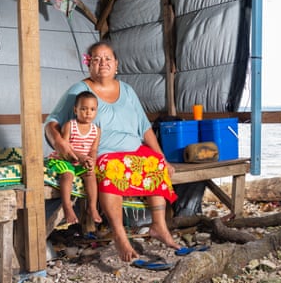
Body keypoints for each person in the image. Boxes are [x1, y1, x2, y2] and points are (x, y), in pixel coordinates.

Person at [44, 40, 181, 262]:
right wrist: (60, 142)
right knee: (112, 169)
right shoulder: (79, 90)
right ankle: (119, 236)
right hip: (102, 152)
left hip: (134, 149)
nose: (103, 63)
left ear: (116, 64)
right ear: (89, 65)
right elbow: (52, 123)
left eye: (108, 58)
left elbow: (144, 128)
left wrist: (162, 157)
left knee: (155, 164)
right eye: (96, 59)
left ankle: (159, 226)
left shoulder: (127, 90)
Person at [46, 90, 102, 225]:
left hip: (80, 162)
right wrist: (81, 157)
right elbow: (65, 148)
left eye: (92, 109)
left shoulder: (96, 130)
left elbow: (93, 150)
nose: (88, 112)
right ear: (75, 110)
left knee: (91, 175)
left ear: (96, 111)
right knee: (67, 174)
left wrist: (91, 162)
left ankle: (92, 207)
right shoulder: (70, 126)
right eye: (83, 109)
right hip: (64, 159)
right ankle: (67, 207)